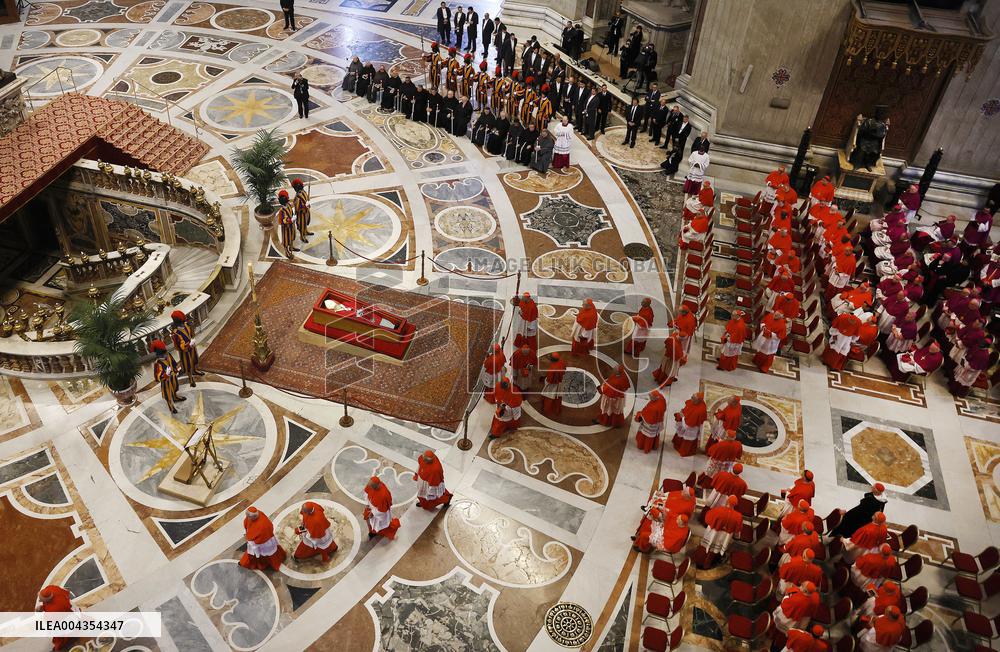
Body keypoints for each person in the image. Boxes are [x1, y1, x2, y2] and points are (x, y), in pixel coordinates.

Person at [240, 506, 286, 570]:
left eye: (248, 516)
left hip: (263, 543)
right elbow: (247, 523)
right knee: (252, 552)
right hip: (256, 541)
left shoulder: (262, 525)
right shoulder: (257, 514)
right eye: (247, 516)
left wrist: (251, 540)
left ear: (253, 517)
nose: (247, 518)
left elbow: (263, 536)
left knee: (262, 554)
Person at [36, 585, 79, 651]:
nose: (39, 600)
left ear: (47, 600)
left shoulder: (55, 610)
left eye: (40, 599)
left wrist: (42, 608)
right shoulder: (51, 588)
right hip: (70, 608)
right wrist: (42, 607)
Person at [169, 309, 203, 387]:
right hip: (185, 352)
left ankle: (195, 370)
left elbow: (191, 334)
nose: (183, 323)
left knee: (194, 359)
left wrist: (192, 334)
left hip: (192, 347)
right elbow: (178, 345)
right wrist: (188, 345)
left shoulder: (186, 325)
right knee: (187, 365)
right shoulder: (175, 333)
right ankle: (190, 378)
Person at [151, 339, 184, 413]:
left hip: (172, 376)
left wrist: (175, 370)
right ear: (159, 355)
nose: (166, 355)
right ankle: (170, 406)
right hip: (165, 381)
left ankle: (175, 397)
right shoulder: (157, 363)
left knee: (175, 387)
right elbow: (157, 376)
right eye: (163, 354)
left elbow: (173, 363)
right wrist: (165, 375)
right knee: (167, 394)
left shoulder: (168, 355)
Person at [672, 391, 707, 456]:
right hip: (686, 421)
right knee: (681, 433)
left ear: (698, 400)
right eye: (692, 396)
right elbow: (687, 408)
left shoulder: (699, 411)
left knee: (687, 438)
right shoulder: (693, 402)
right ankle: (678, 444)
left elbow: (688, 425)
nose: (691, 398)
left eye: (693, 398)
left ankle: (684, 451)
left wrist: (682, 417)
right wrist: (683, 412)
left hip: (691, 427)